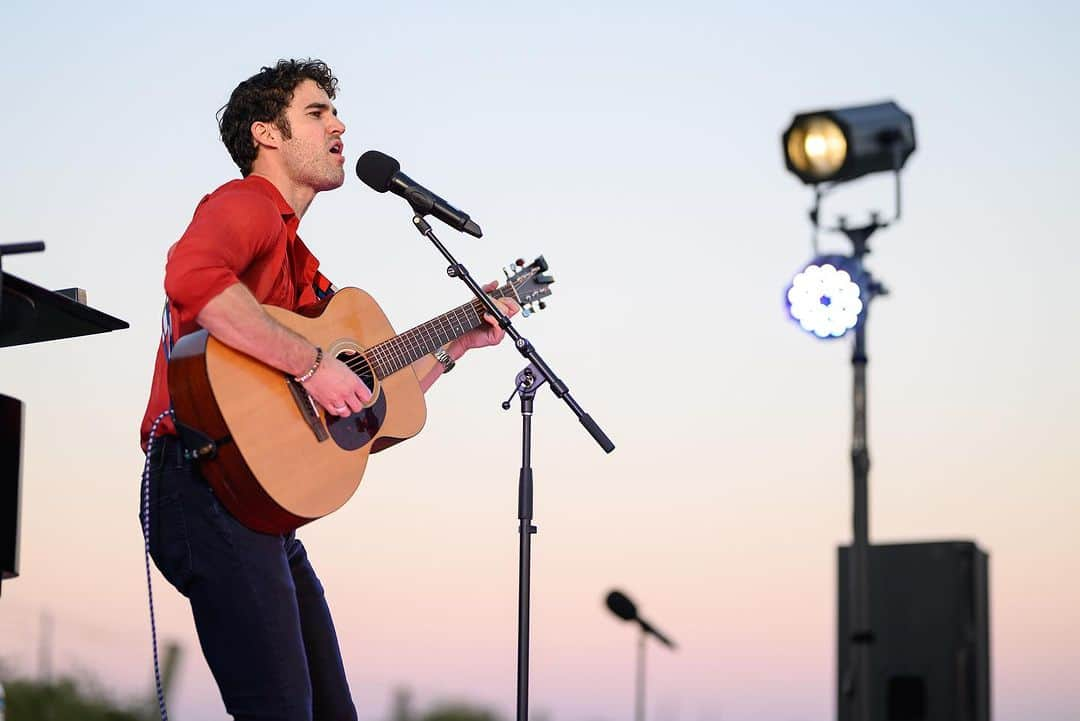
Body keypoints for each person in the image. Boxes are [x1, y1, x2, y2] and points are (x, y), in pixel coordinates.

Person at [138, 59, 517, 721]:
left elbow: (370, 406)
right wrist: (312, 364)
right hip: (201, 485)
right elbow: (192, 278)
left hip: (263, 506)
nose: (339, 124)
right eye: (317, 113)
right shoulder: (246, 202)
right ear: (268, 134)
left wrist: (455, 344)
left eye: (334, 113)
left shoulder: (303, 269)